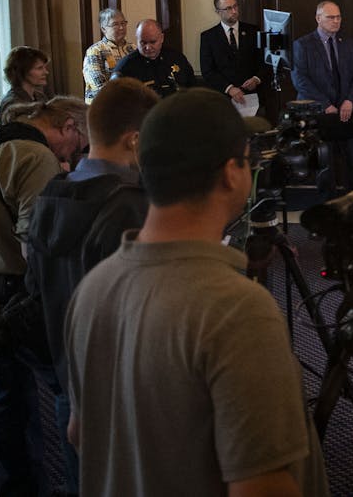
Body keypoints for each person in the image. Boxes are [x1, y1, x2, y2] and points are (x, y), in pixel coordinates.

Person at [63, 89, 329, 496]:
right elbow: (262, 487)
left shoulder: (91, 290)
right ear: (230, 173)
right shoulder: (237, 310)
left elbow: (80, 434)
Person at [0, 96, 89, 496]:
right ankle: (81, 486)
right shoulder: (34, 157)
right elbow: (35, 245)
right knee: (68, 391)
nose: (73, 158)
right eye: (77, 147)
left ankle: (19, 488)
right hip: (23, 294)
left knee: (4, 393)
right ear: (68, 126)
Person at [25, 77, 157, 497]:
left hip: (65, 363)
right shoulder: (132, 205)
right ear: (134, 139)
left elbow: (34, 282)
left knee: (84, 476)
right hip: (123, 379)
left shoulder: (51, 192)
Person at [290, 0, 353, 188]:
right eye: (330, 17)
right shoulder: (303, 44)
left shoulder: (348, 43)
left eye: (338, 17)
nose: (336, 21)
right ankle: (327, 204)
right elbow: (300, 81)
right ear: (318, 18)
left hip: (346, 112)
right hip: (319, 114)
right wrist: (326, 105)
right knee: (325, 164)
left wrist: (349, 100)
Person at [198, 0, 268, 108]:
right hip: (223, 98)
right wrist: (229, 89)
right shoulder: (208, 37)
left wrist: (257, 79)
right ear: (218, 12)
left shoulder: (253, 31)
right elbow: (207, 71)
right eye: (228, 8)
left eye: (235, 6)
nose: (234, 11)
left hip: (253, 97)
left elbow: (264, 60)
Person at [112, 19, 196, 97]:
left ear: (162, 38)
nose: (148, 47)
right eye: (143, 43)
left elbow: (193, 88)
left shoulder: (177, 58)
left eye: (152, 42)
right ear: (137, 40)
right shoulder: (125, 66)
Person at [82, 9, 132, 103]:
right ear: (103, 29)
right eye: (115, 24)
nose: (121, 27)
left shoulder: (132, 49)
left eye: (123, 23)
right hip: (103, 106)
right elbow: (98, 86)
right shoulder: (95, 51)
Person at [0, 45, 51, 117]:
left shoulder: (40, 97)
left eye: (44, 67)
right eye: (39, 68)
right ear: (22, 72)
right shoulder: (12, 104)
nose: (46, 72)